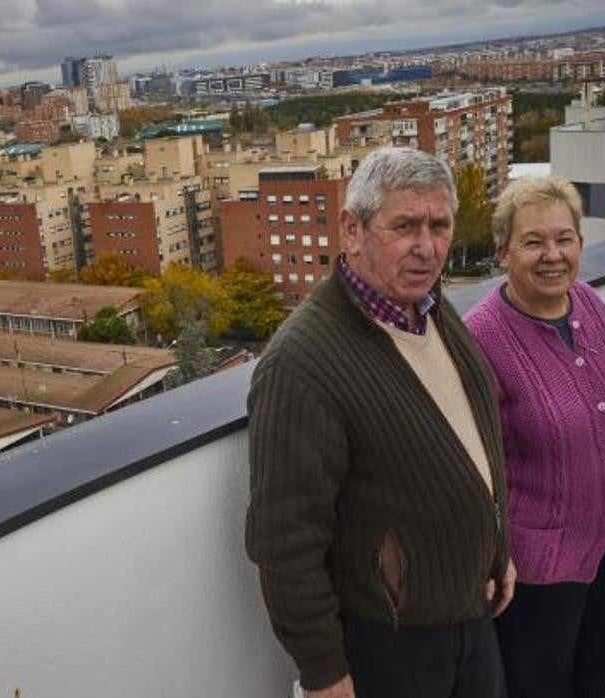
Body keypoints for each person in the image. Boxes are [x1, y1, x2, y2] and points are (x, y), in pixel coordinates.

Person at [246, 147, 514, 698]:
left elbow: (472, 438)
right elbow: (286, 541)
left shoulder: (431, 308)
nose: (427, 247)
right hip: (390, 646)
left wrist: (497, 550)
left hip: (469, 616)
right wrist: (324, 672)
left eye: (439, 225)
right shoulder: (302, 363)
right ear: (352, 230)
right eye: (405, 226)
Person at [463, 175, 605, 698]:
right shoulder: (482, 338)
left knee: (597, 674)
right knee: (540, 688)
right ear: (504, 251)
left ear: (579, 242)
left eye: (564, 238)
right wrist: (492, 554)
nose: (552, 254)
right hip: (537, 570)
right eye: (533, 242)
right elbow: (474, 466)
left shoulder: (591, 305)